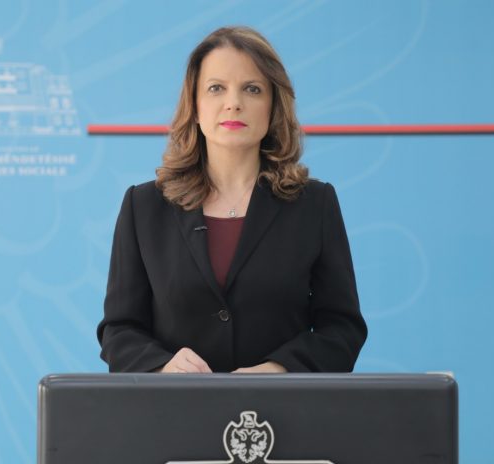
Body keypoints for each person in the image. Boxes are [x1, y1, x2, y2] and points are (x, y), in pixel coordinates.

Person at [97, 26, 367, 373]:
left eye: (252, 89)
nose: (234, 103)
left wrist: (281, 369)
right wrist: (163, 367)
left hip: (282, 407)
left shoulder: (315, 204)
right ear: (195, 107)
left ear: (273, 107)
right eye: (216, 88)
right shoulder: (144, 206)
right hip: (175, 406)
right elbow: (119, 331)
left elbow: (342, 329)